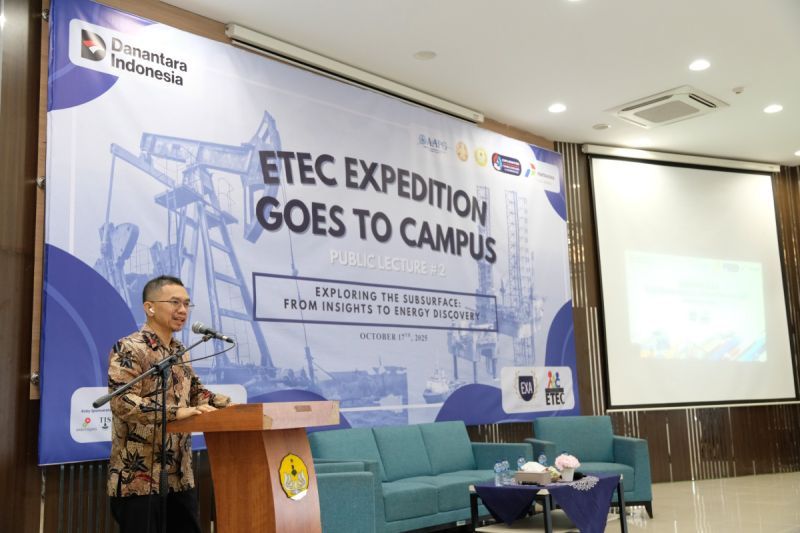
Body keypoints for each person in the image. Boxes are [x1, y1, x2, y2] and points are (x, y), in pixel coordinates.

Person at [106, 275, 231, 533]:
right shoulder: (129, 348)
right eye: (175, 302)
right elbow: (122, 401)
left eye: (186, 303)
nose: (183, 310)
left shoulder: (179, 351)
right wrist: (176, 412)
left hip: (179, 475)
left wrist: (225, 404)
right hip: (138, 479)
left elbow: (194, 391)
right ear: (149, 307)